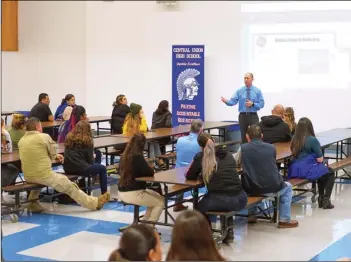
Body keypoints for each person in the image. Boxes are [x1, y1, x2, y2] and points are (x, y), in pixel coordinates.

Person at [18, 117, 110, 212]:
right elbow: (52, 154)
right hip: (44, 175)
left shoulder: (22, 141)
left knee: (38, 179)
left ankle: (33, 203)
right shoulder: (44, 137)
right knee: (70, 186)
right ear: (37, 127)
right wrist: (55, 155)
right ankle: (93, 203)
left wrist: (55, 155)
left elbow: (38, 154)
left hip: (28, 176)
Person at [186, 133, 247, 243]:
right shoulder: (228, 154)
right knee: (224, 197)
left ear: (200, 146)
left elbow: (190, 176)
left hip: (221, 199)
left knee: (199, 208)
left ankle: (207, 235)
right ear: (214, 141)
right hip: (241, 198)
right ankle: (229, 233)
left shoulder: (201, 157)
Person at [236, 125, 298, 228]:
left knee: (251, 178)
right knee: (288, 187)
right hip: (273, 186)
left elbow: (236, 163)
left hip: (250, 188)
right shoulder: (271, 148)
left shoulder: (243, 148)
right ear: (262, 135)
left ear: (247, 136)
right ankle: (284, 220)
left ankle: (252, 215)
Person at [289, 117, 335, 209]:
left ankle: (322, 199)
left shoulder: (294, 138)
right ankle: (325, 199)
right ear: (310, 127)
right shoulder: (312, 140)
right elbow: (320, 159)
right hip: (307, 169)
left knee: (323, 172)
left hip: (294, 169)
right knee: (330, 172)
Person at [118, 133, 164, 224]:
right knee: (160, 202)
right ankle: (149, 228)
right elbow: (150, 172)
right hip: (134, 192)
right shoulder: (138, 157)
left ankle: (144, 224)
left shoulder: (124, 155)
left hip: (121, 190)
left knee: (156, 197)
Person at [63, 120, 108, 194]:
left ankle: (94, 176)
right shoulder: (87, 140)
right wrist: (93, 157)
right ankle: (104, 193)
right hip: (81, 168)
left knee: (95, 155)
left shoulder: (69, 138)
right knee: (102, 168)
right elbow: (90, 162)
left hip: (67, 168)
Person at [221, 72, 265, 143]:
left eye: (248, 78)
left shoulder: (257, 91)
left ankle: (255, 150)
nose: (246, 79)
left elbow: (262, 104)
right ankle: (244, 151)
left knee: (255, 135)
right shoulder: (239, 90)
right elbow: (233, 102)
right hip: (243, 116)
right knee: (243, 136)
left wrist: (253, 104)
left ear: (252, 79)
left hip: (253, 116)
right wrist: (226, 101)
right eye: (245, 78)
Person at [173, 119, 203, 212]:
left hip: (178, 172)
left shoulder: (180, 140)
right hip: (194, 174)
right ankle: (200, 203)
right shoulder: (201, 143)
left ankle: (177, 203)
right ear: (201, 130)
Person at [123, 103, 165, 168]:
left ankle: (160, 160)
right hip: (134, 143)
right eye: (141, 112)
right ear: (137, 113)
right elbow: (142, 129)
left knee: (155, 141)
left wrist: (142, 119)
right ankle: (151, 164)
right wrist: (143, 119)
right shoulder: (130, 121)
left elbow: (145, 130)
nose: (142, 113)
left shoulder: (139, 119)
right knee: (150, 144)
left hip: (140, 140)